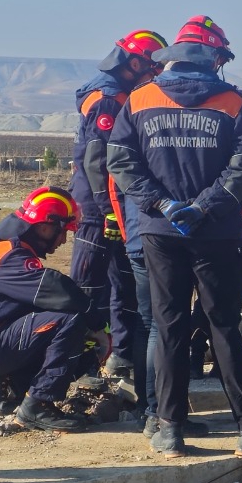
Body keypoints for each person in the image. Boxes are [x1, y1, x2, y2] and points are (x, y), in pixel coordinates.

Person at [106, 15, 242, 458]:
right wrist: (205, 206)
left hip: (160, 232)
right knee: (223, 326)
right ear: (213, 57)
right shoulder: (234, 103)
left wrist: (162, 204)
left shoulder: (140, 99)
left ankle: (170, 429)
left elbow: (120, 162)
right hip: (216, 233)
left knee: (170, 326)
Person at [74, 30, 167, 408]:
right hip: (101, 205)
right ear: (134, 64)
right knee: (90, 283)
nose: (154, 75)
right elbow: (98, 160)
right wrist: (107, 208)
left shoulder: (117, 93)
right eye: (151, 67)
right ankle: (81, 359)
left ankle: (121, 353)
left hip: (116, 202)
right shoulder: (108, 99)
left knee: (122, 282)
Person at [0, 187, 98, 431]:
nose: (64, 240)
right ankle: (36, 405)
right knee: (71, 321)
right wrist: (99, 323)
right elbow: (56, 290)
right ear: (44, 227)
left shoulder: (2, 248)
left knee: (78, 341)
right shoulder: (9, 256)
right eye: (64, 232)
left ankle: (6, 389)